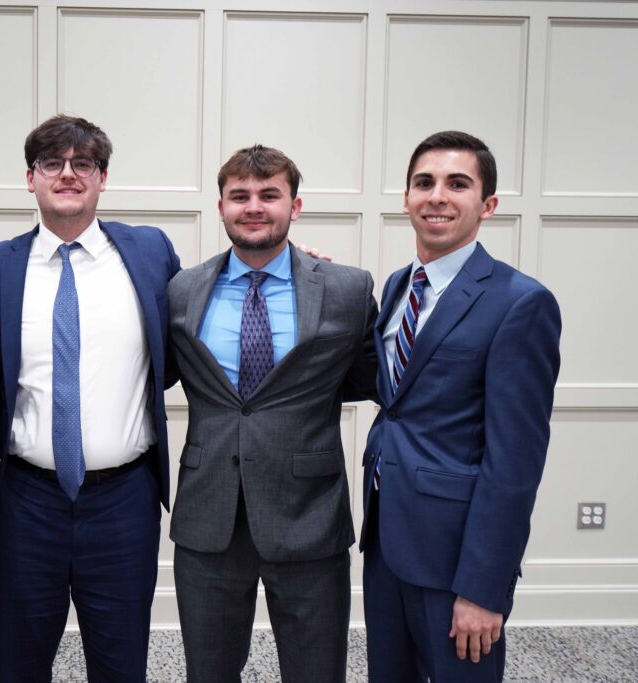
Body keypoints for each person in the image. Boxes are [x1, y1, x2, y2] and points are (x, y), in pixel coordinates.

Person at [0, 114, 181, 683]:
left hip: (122, 503)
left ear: (102, 177)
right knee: (18, 665)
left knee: (121, 667)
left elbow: (195, 325)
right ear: (30, 177)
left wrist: (289, 263)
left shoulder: (149, 253)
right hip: (23, 503)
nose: (68, 174)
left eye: (82, 163)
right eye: (52, 163)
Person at [168, 144, 378, 682]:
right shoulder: (181, 290)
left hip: (309, 514)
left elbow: (365, 379)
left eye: (269, 195)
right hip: (209, 515)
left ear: (295, 205)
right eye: (240, 196)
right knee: (208, 672)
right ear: (221, 208)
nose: (254, 206)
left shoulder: (346, 290)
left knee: (316, 672)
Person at [360, 130, 561, 682]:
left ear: (487, 204)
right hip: (386, 543)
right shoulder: (402, 285)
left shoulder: (520, 303)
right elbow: (391, 394)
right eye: (424, 183)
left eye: (458, 184)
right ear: (406, 198)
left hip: (456, 563)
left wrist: (483, 588)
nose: (437, 196)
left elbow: (515, 464)